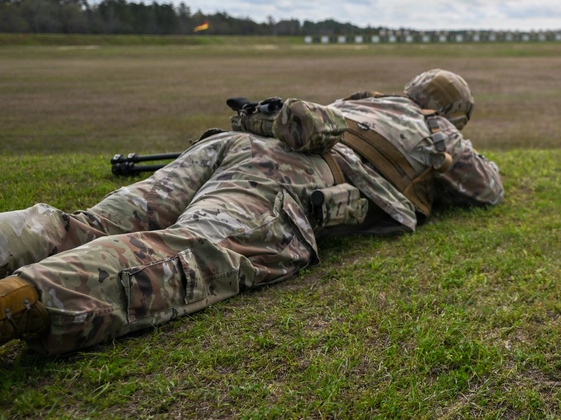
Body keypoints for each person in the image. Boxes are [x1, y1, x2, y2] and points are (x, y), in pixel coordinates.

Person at [0, 69, 504, 356]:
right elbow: (486, 188)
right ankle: (24, 299)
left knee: (93, 222)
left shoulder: (361, 102)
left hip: (229, 145)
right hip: (284, 174)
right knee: (193, 249)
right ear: (453, 112)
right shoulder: (436, 126)